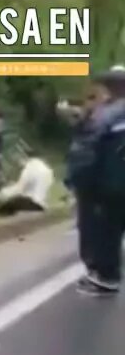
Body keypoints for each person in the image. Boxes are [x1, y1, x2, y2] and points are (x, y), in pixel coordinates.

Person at [66, 68, 125, 297]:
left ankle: (106, 277)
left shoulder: (106, 115)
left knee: (103, 231)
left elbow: (85, 151)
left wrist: (77, 181)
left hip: (107, 185)